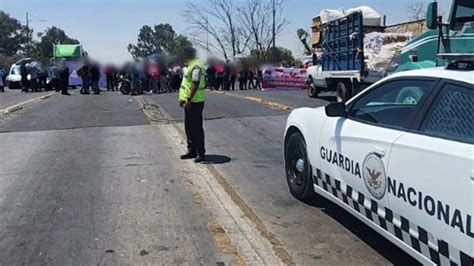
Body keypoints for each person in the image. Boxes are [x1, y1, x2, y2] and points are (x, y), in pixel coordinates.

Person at [179, 47, 206, 163]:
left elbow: (195, 83)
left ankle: (200, 152)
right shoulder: (190, 66)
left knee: (196, 128)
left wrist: (189, 99)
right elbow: (187, 84)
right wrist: (183, 99)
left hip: (195, 102)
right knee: (189, 128)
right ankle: (192, 150)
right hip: (188, 101)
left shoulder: (196, 66)